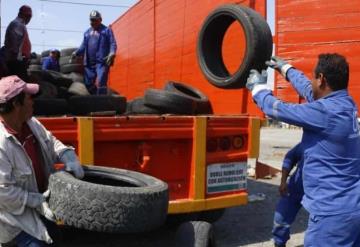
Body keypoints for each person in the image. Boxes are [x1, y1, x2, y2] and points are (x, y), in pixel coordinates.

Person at [246, 53, 360, 246]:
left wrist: (258, 89)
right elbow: (309, 90)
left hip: (332, 218)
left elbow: (276, 109)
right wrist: (286, 69)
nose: (311, 81)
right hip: (352, 209)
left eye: (314, 76)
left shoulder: (324, 113)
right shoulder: (346, 104)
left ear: (322, 79)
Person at [0, 75, 85, 246]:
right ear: (16, 104)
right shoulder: (1, 143)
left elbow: (51, 141)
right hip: (17, 222)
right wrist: (37, 201)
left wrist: (66, 154)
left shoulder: (31, 123)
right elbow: (3, 192)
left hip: (44, 207)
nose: (33, 102)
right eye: (29, 97)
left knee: (58, 239)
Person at [72, 10, 117, 95]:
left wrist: (112, 52)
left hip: (102, 62)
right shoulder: (87, 33)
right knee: (88, 84)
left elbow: (112, 43)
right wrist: (76, 53)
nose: (93, 22)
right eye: (91, 20)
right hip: (89, 64)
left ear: (100, 20)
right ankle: (94, 99)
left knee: (101, 82)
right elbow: (83, 46)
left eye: (95, 20)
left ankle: (101, 102)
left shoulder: (107, 30)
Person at [272, 143, 304, 247]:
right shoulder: (308, 142)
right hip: (297, 188)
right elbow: (290, 158)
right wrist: (283, 181)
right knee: (280, 219)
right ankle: (279, 243)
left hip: (322, 193)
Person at [2, 5, 33, 81]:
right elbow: (14, 44)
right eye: (29, 16)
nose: (29, 19)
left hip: (16, 61)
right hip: (15, 62)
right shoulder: (17, 24)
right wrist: (20, 59)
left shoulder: (20, 24)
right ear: (25, 15)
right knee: (18, 87)